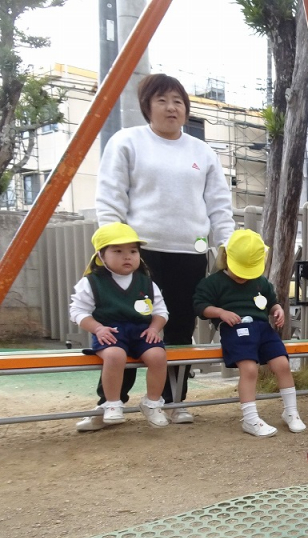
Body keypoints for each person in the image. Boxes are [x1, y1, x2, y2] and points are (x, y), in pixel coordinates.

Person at [79, 73, 235, 432]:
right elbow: (110, 197)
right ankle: (110, 403)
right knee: (127, 325)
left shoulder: (202, 152)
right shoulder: (127, 141)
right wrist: (112, 248)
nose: (171, 107)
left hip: (189, 253)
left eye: (178, 101)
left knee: (179, 326)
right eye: (162, 100)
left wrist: (227, 251)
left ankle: (174, 401)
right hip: (139, 256)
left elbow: (219, 206)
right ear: (147, 106)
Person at [194, 229, 306, 438]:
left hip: (264, 329)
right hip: (236, 329)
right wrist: (220, 313)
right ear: (226, 257)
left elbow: (272, 302)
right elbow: (200, 306)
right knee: (249, 369)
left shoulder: (260, 281)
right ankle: (250, 418)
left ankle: (291, 411)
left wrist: (278, 310)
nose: (244, 276)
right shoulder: (214, 282)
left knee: (282, 364)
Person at [69, 223, 170, 429]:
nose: (127, 257)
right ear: (101, 255)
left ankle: (152, 403)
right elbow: (77, 311)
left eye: (133, 251)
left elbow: (161, 311)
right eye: (118, 251)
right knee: (115, 356)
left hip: (141, 332)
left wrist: (154, 328)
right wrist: (97, 328)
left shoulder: (147, 282)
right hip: (111, 332)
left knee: (158, 356)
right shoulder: (92, 282)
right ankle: (112, 403)